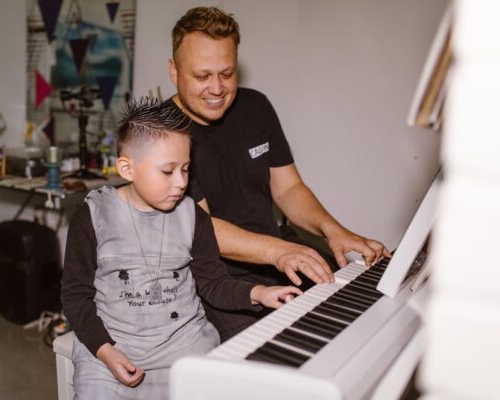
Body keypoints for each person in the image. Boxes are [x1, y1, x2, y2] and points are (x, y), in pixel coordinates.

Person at [165, 6, 391, 341]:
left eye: (226, 74)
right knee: (273, 362)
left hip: (281, 257)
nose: (216, 89)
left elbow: (288, 190)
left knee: (364, 317)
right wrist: (279, 251)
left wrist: (334, 231)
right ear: (174, 71)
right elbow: (201, 228)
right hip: (218, 281)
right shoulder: (161, 132)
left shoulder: (256, 106)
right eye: (202, 76)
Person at [61, 98, 301, 399]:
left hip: (184, 347)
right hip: (113, 347)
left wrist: (259, 294)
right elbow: (75, 296)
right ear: (127, 168)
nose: (181, 183)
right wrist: (105, 351)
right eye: (167, 171)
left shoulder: (193, 217)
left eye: (186, 169)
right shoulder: (93, 216)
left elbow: (214, 284)